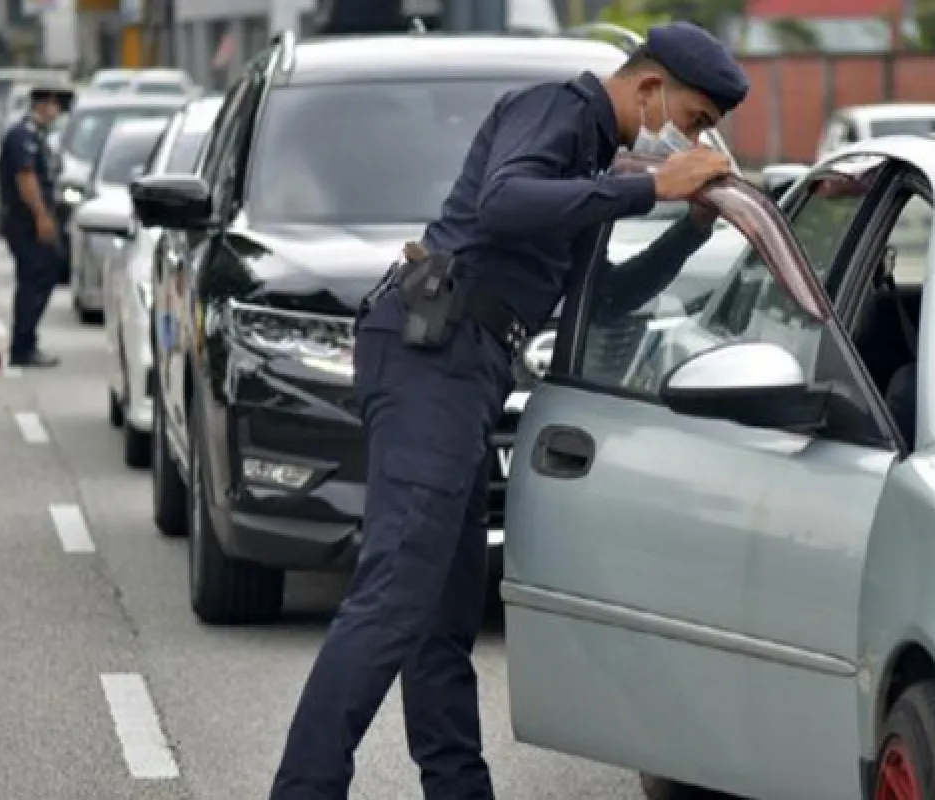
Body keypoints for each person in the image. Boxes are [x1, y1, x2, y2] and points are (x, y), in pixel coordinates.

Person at [270, 21, 749, 800]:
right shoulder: (560, 111)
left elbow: (608, 299)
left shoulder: (595, 165)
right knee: (393, 600)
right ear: (651, 88)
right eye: (693, 121)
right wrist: (650, 186)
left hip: (465, 368)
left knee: (439, 622)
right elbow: (503, 203)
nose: (689, 140)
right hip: (433, 355)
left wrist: (688, 233)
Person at [0, 85, 65, 368]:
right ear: (44, 104)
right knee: (33, 280)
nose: (57, 110)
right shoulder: (22, 136)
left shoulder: (37, 135)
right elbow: (26, 178)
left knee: (45, 276)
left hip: (33, 220)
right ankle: (22, 347)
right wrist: (41, 216)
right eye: (55, 104)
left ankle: (25, 342)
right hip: (25, 222)